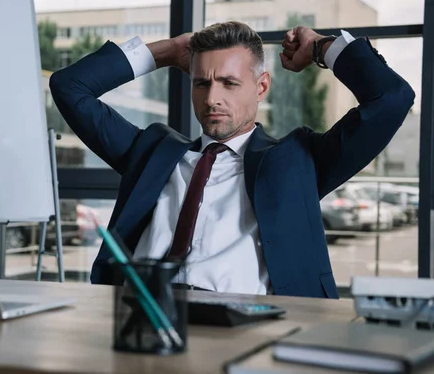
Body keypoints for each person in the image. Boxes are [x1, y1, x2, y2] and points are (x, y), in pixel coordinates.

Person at [49, 21, 415, 298]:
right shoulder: (153, 152)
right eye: (201, 83)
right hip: (141, 312)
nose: (212, 99)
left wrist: (322, 47)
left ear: (261, 87)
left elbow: (391, 98)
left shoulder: (297, 161)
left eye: (229, 83)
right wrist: (166, 51)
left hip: (242, 321)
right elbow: (70, 87)